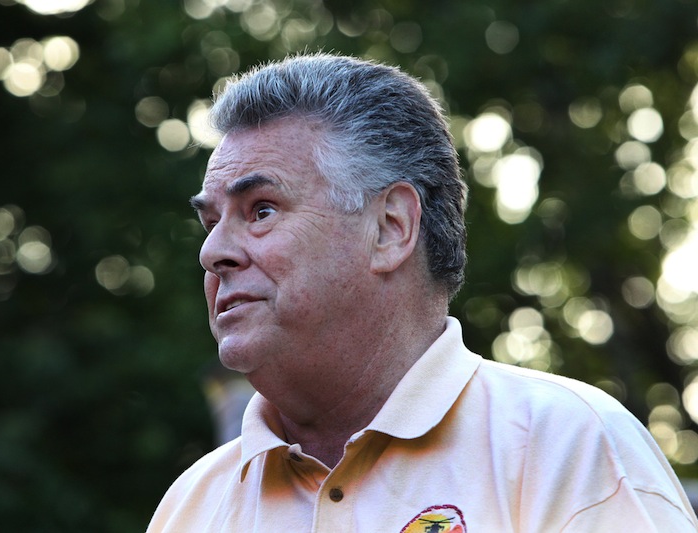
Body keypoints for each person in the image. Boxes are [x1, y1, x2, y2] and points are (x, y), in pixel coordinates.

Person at [146, 53, 698, 532]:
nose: (212, 251)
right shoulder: (190, 508)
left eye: (260, 210)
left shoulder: (568, 448)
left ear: (390, 228)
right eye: (211, 221)